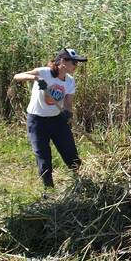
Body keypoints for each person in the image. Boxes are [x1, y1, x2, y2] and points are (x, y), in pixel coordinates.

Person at [13, 48, 87, 188]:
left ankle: (81, 182)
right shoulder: (44, 72)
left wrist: (67, 112)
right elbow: (17, 76)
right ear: (63, 62)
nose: (76, 66)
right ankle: (49, 189)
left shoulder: (70, 81)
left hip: (57, 120)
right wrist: (35, 78)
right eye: (74, 62)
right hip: (37, 121)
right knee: (43, 157)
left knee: (70, 153)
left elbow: (68, 103)